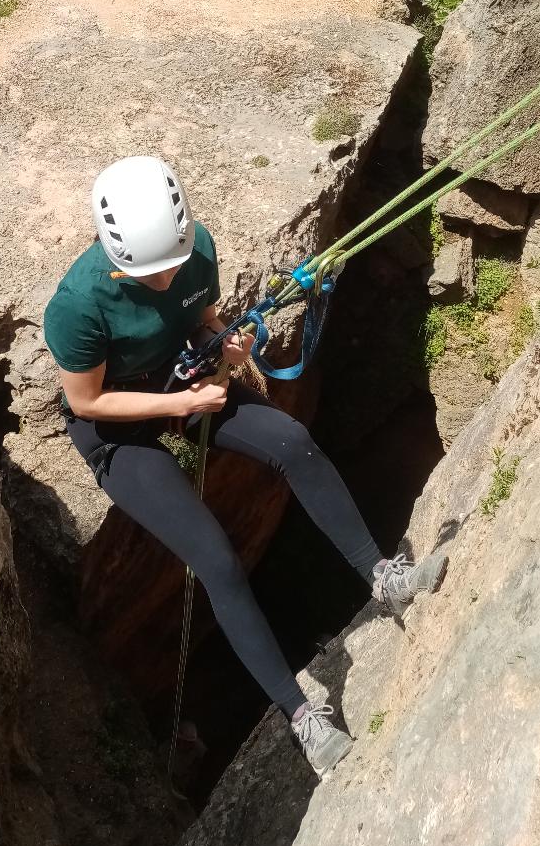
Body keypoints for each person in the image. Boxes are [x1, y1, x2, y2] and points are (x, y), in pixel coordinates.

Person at [43, 155, 447, 777]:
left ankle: (382, 575)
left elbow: (198, 313)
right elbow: (86, 400)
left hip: (183, 380)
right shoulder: (77, 307)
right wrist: (183, 403)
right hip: (116, 432)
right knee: (216, 558)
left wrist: (227, 341)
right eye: (152, 271)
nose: (168, 275)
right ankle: (303, 717)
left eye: (174, 262)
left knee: (291, 442)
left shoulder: (196, 247)